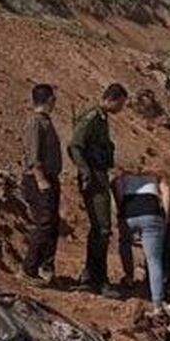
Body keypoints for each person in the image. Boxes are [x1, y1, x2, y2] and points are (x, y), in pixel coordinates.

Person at [68, 83, 128, 295]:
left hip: (98, 175)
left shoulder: (101, 118)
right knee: (102, 229)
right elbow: (75, 144)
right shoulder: (93, 117)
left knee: (99, 229)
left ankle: (90, 275)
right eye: (121, 103)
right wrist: (85, 171)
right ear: (113, 99)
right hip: (93, 177)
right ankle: (98, 280)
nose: (121, 108)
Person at [113, 166, 170, 311]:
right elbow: (166, 191)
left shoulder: (124, 176)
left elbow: (117, 188)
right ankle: (157, 303)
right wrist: (165, 215)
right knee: (154, 260)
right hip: (151, 213)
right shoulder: (156, 176)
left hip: (130, 212)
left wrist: (121, 209)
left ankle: (129, 277)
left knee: (125, 243)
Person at [21, 83, 64, 286]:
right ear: (48, 100)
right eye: (53, 99)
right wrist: (40, 180)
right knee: (44, 222)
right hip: (39, 180)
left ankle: (44, 267)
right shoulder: (35, 123)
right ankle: (29, 269)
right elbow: (33, 154)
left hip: (49, 178)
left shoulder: (46, 122)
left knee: (52, 223)